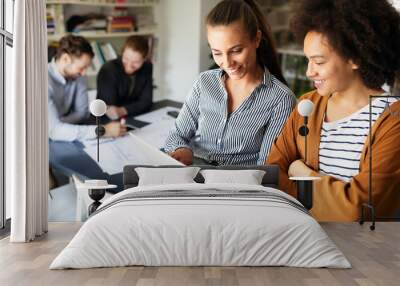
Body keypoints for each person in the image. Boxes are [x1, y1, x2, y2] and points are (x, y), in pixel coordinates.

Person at [267, 0, 400, 221]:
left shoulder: (392, 121)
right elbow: (272, 174)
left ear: (355, 58)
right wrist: (332, 198)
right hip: (299, 240)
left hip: (360, 251)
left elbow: (360, 209)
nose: (309, 72)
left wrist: (303, 173)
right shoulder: (307, 106)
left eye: (318, 62)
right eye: (307, 60)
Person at [164, 0, 296, 166]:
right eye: (217, 53)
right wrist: (181, 149)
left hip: (240, 185)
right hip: (193, 174)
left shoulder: (281, 99)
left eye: (236, 51)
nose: (227, 63)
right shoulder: (204, 82)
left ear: (256, 39)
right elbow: (176, 135)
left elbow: (266, 166)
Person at [48, 35, 126, 141]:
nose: (84, 73)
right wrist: (103, 130)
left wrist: (60, 124)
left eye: (86, 68)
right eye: (82, 67)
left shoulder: (79, 75)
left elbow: (82, 114)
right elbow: (55, 132)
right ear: (65, 59)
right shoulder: (41, 82)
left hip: (67, 135)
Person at [96, 36, 153, 120]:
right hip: (106, 120)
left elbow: (147, 102)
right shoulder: (108, 69)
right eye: (126, 58)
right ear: (122, 53)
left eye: (136, 62)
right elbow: (111, 110)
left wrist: (123, 110)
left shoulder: (147, 67)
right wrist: (135, 106)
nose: (129, 66)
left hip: (135, 116)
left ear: (144, 59)